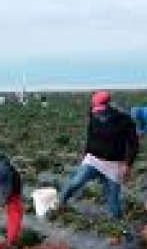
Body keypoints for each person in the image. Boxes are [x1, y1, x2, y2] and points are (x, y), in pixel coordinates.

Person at [59, 91, 138, 219]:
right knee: (76, 182)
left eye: (100, 110)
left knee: (113, 200)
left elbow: (133, 144)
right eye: (96, 109)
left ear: (109, 106)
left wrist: (128, 165)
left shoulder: (124, 120)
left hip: (114, 164)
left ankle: (118, 227)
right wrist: (86, 154)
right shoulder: (93, 115)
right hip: (93, 160)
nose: (98, 113)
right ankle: (60, 204)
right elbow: (90, 136)